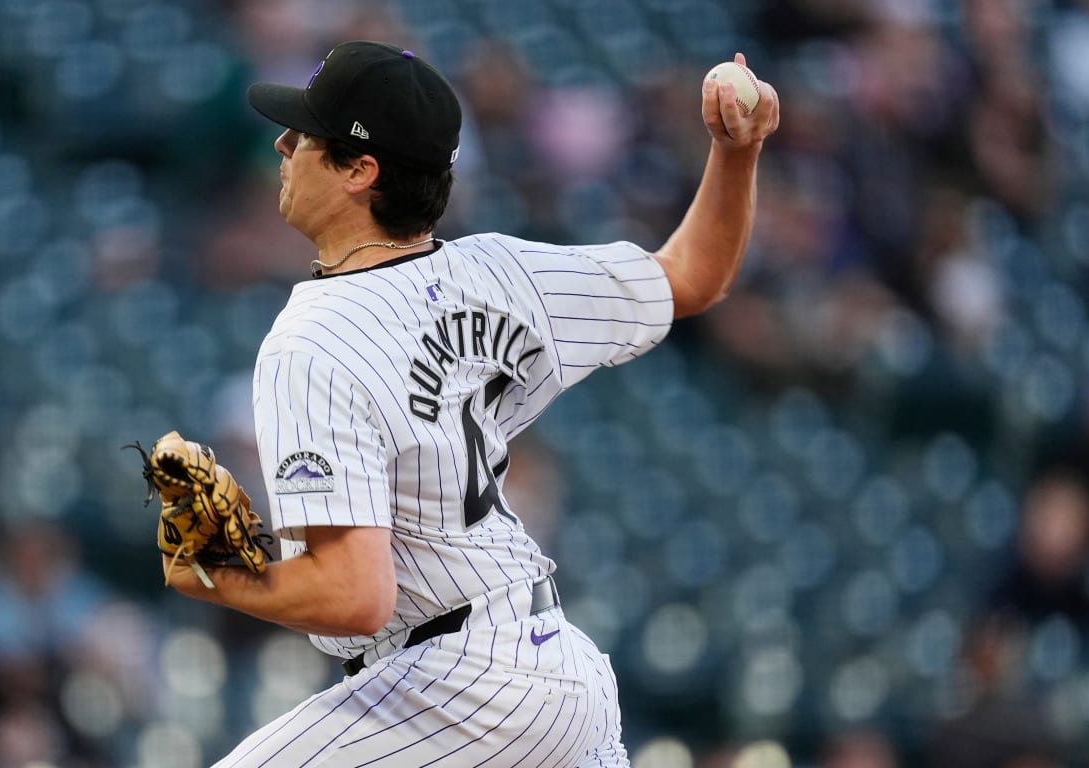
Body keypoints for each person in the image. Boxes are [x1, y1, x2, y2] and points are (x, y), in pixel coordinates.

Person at [161, 39, 778, 765]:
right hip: (555, 666)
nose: (283, 143)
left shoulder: (313, 339)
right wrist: (736, 152)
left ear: (361, 170)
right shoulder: (501, 272)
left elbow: (356, 595)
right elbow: (693, 275)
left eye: (306, 136)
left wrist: (219, 567)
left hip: (456, 690)